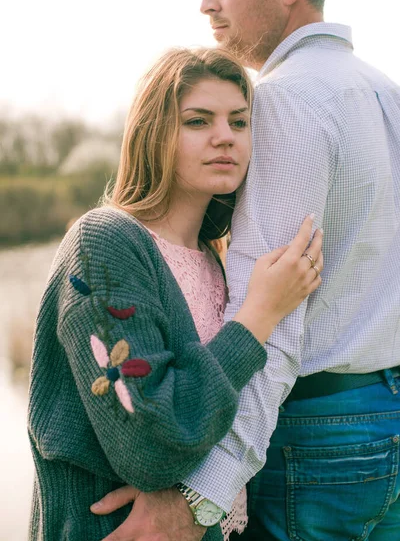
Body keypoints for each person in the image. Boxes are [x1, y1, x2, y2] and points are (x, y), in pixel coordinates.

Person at [92, 0, 400, 540]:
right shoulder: (386, 93)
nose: (207, 2)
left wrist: (196, 497)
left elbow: (274, 322)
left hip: (315, 437)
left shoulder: (287, 98)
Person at [27, 47, 323, 541]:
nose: (225, 136)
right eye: (198, 121)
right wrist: (258, 317)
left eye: (240, 122)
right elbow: (153, 446)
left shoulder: (216, 257)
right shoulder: (105, 244)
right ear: (154, 132)